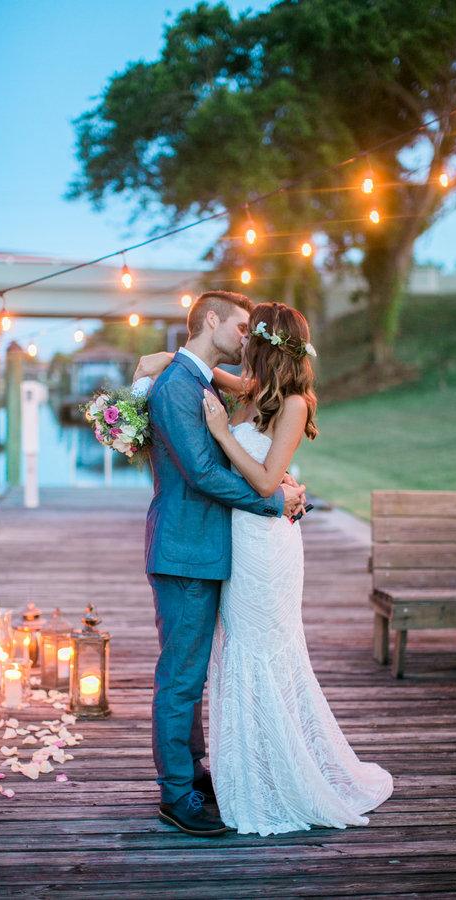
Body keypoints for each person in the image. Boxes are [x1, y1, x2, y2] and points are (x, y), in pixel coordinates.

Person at [200, 301, 394, 835]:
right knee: (239, 649)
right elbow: (202, 370)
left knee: (266, 653)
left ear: (264, 343)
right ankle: (250, 772)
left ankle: (283, 776)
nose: (240, 344)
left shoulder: (292, 405)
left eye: (248, 336)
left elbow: (265, 483)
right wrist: (168, 361)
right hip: (236, 542)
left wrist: (220, 433)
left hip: (267, 547)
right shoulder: (250, 391)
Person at [136, 291, 306, 837]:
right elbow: (204, 474)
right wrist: (277, 498)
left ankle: (194, 772)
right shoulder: (179, 388)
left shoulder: (199, 379)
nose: (246, 337)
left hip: (210, 549)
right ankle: (175, 795)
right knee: (181, 677)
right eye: (239, 325)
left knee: (192, 673)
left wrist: (280, 485)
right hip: (186, 550)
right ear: (212, 320)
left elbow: (256, 405)